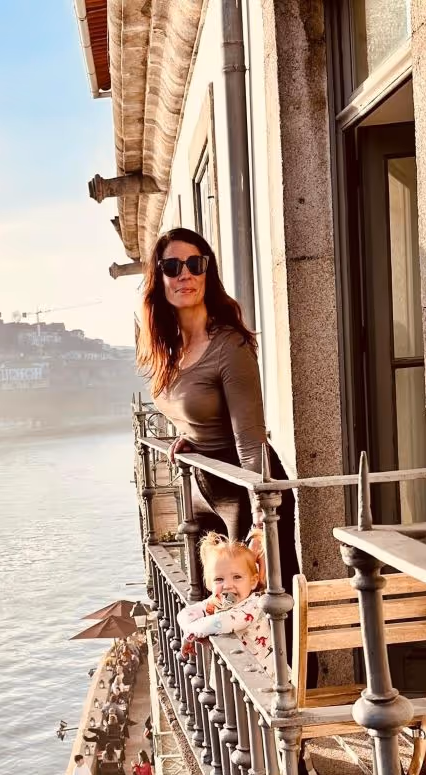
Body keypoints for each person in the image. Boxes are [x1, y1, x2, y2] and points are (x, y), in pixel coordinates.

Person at [137, 226, 300, 595]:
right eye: (172, 266)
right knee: (219, 607)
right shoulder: (167, 348)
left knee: (269, 610)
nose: (185, 275)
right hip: (204, 487)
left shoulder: (229, 345)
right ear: (158, 277)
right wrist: (188, 436)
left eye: (196, 264)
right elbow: (190, 407)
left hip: (245, 488)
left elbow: (250, 441)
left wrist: (262, 521)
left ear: (207, 272)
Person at [175, 532, 274, 672]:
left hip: (261, 682)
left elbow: (221, 622)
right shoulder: (218, 601)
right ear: (209, 584)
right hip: (231, 679)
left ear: (253, 581)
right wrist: (189, 630)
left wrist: (191, 633)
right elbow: (185, 614)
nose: (227, 585)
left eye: (237, 577)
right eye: (219, 579)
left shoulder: (253, 606)